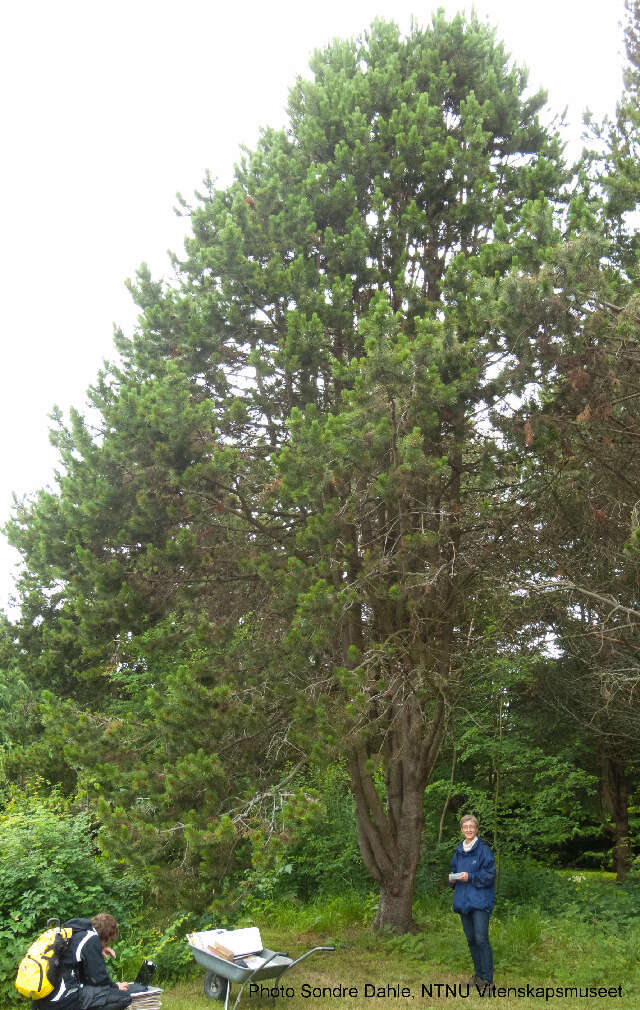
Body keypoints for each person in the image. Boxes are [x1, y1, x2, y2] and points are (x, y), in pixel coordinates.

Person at [39, 913, 131, 1010]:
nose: (106, 944)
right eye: (107, 942)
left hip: (46, 998)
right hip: (63, 999)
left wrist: (99, 949)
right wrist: (116, 987)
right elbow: (99, 979)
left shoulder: (76, 933)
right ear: (106, 936)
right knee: (123, 997)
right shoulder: (92, 938)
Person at [449, 814, 496, 991]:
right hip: (463, 901)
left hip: (480, 901)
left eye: (472, 827)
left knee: (481, 939)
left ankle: (488, 981)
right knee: (471, 940)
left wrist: (471, 877)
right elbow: (454, 871)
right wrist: (452, 880)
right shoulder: (458, 851)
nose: (468, 829)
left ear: (476, 829)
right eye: (465, 827)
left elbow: (490, 875)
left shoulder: (484, 849)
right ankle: (478, 976)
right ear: (461, 829)